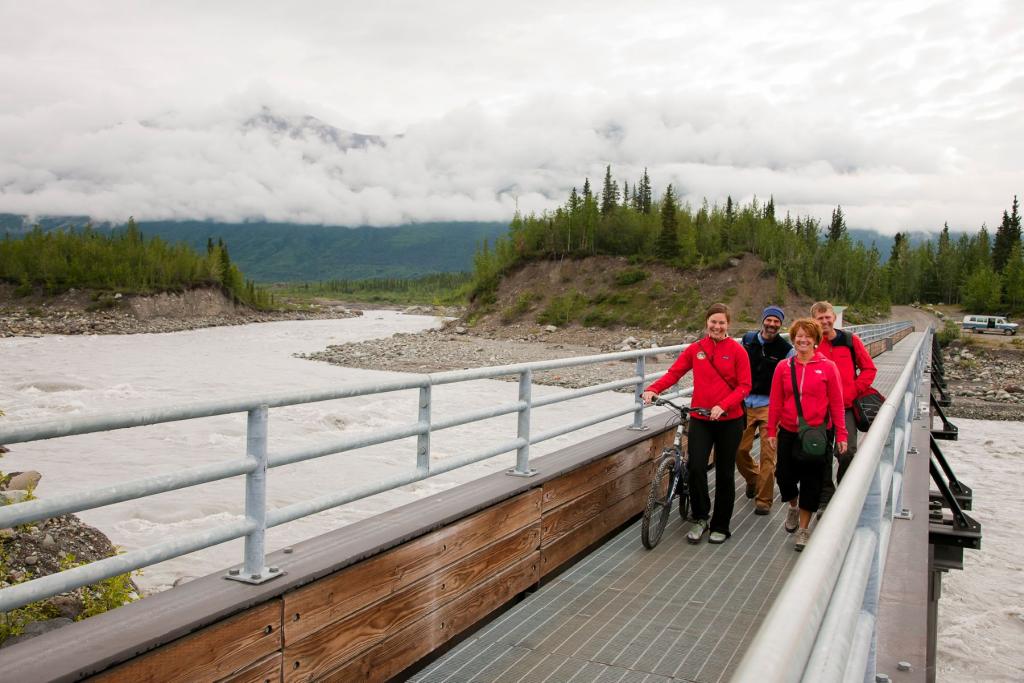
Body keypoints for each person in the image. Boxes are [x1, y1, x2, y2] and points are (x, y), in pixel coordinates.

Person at [642, 303, 751, 545]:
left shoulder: (737, 351)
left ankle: (720, 525)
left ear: (728, 325)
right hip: (701, 418)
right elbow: (674, 373)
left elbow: (745, 386)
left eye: (722, 322)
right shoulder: (696, 349)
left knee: (724, 473)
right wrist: (652, 389)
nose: (717, 326)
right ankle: (701, 517)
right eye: (713, 321)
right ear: (707, 323)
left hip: (729, 421)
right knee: (696, 467)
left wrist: (723, 405)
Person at [766, 318, 847, 551]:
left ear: (815, 340)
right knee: (784, 475)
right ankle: (792, 506)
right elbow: (776, 402)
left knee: (812, 481)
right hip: (789, 431)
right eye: (798, 336)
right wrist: (772, 430)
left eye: (808, 336)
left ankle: (803, 528)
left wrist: (841, 435)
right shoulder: (784, 367)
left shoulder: (828, 367)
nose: (803, 340)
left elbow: (837, 404)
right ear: (793, 338)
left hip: (816, 433)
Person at [811, 301, 877, 513]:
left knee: (847, 451)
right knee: (819, 453)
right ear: (814, 320)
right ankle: (825, 496)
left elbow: (869, 369)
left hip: (846, 406)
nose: (825, 321)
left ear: (834, 317)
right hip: (819, 408)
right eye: (820, 318)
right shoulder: (811, 343)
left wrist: (852, 391)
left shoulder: (849, 341)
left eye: (828, 317)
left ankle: (842, 490)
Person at [736, 306, 794, 515]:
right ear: (763, 320)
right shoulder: (748, 340)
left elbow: (790, 377)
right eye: (769, 320)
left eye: (776, 322)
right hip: (745, 402)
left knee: (768, 455)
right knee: (739, 449)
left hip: (770, 405)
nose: (772, 324)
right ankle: (753, 477)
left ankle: (764, 499)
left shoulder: (785, 349)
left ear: (780, 324)